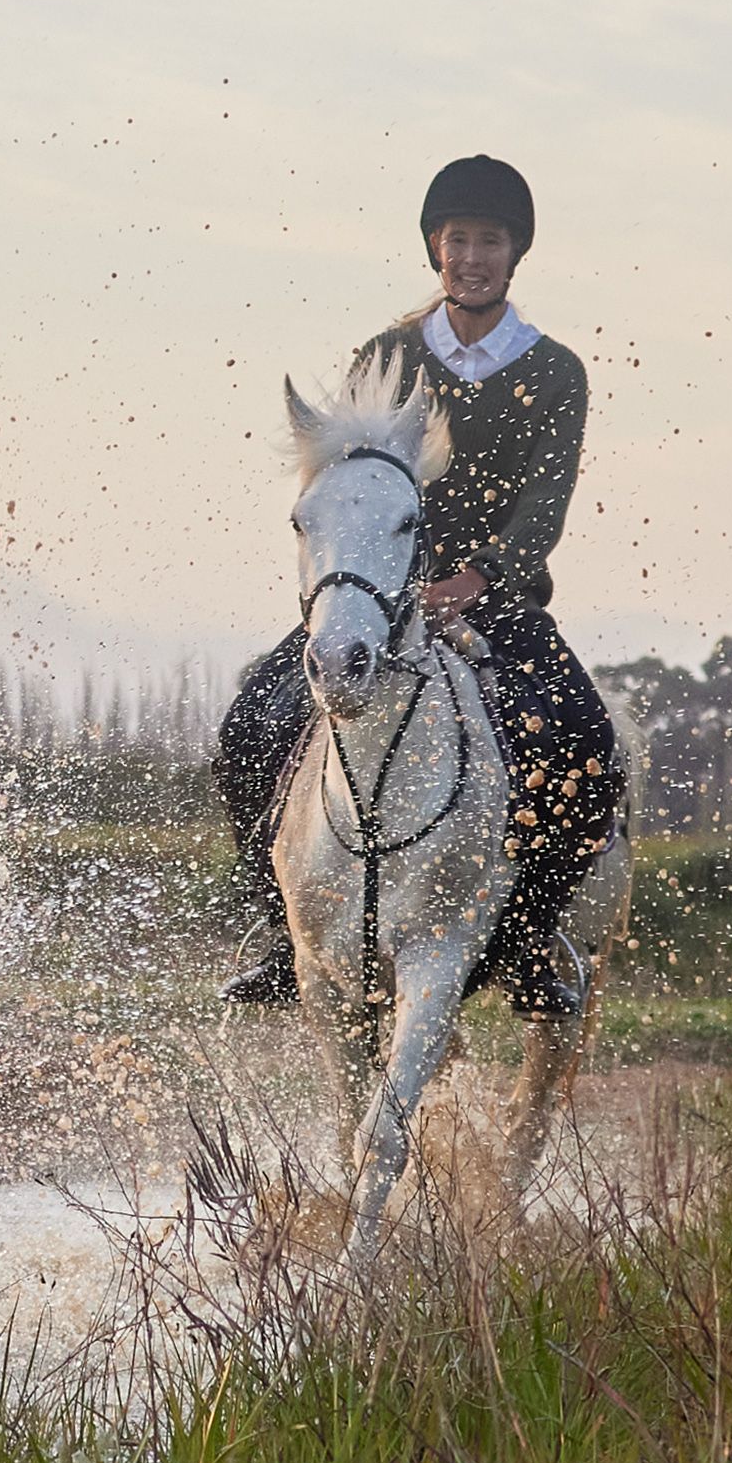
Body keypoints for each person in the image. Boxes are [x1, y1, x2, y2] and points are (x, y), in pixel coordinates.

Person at [214, 155, 628, 1012]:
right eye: (457, 240)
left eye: (489, 241)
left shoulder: (556, 373)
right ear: (435, 250)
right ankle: (277, 925)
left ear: (515, 254)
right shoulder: (388, 356)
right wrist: (353, 583)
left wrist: (481, 578)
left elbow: (547, 501)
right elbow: (339, 481)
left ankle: (532, 937)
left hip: (498, 603)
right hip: (377, 602)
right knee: (249, 724)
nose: (471, 256)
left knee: (585, 738)